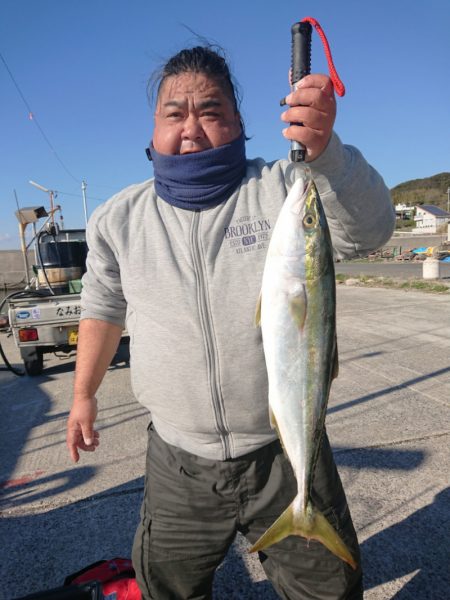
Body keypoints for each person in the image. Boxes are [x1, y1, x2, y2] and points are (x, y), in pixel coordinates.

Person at [66, 44, 395, 600]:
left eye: (211, 111)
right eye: (175, 113)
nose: (191, 129)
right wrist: (83, 395)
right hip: (178, 464)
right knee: (169, 592)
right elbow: (103, 306)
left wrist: (327, 153)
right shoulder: (118, 218)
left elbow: (371, 230)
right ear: (153, 127)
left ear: (241, 124)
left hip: (286, 453)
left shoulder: (285, 189)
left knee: (328, 593)